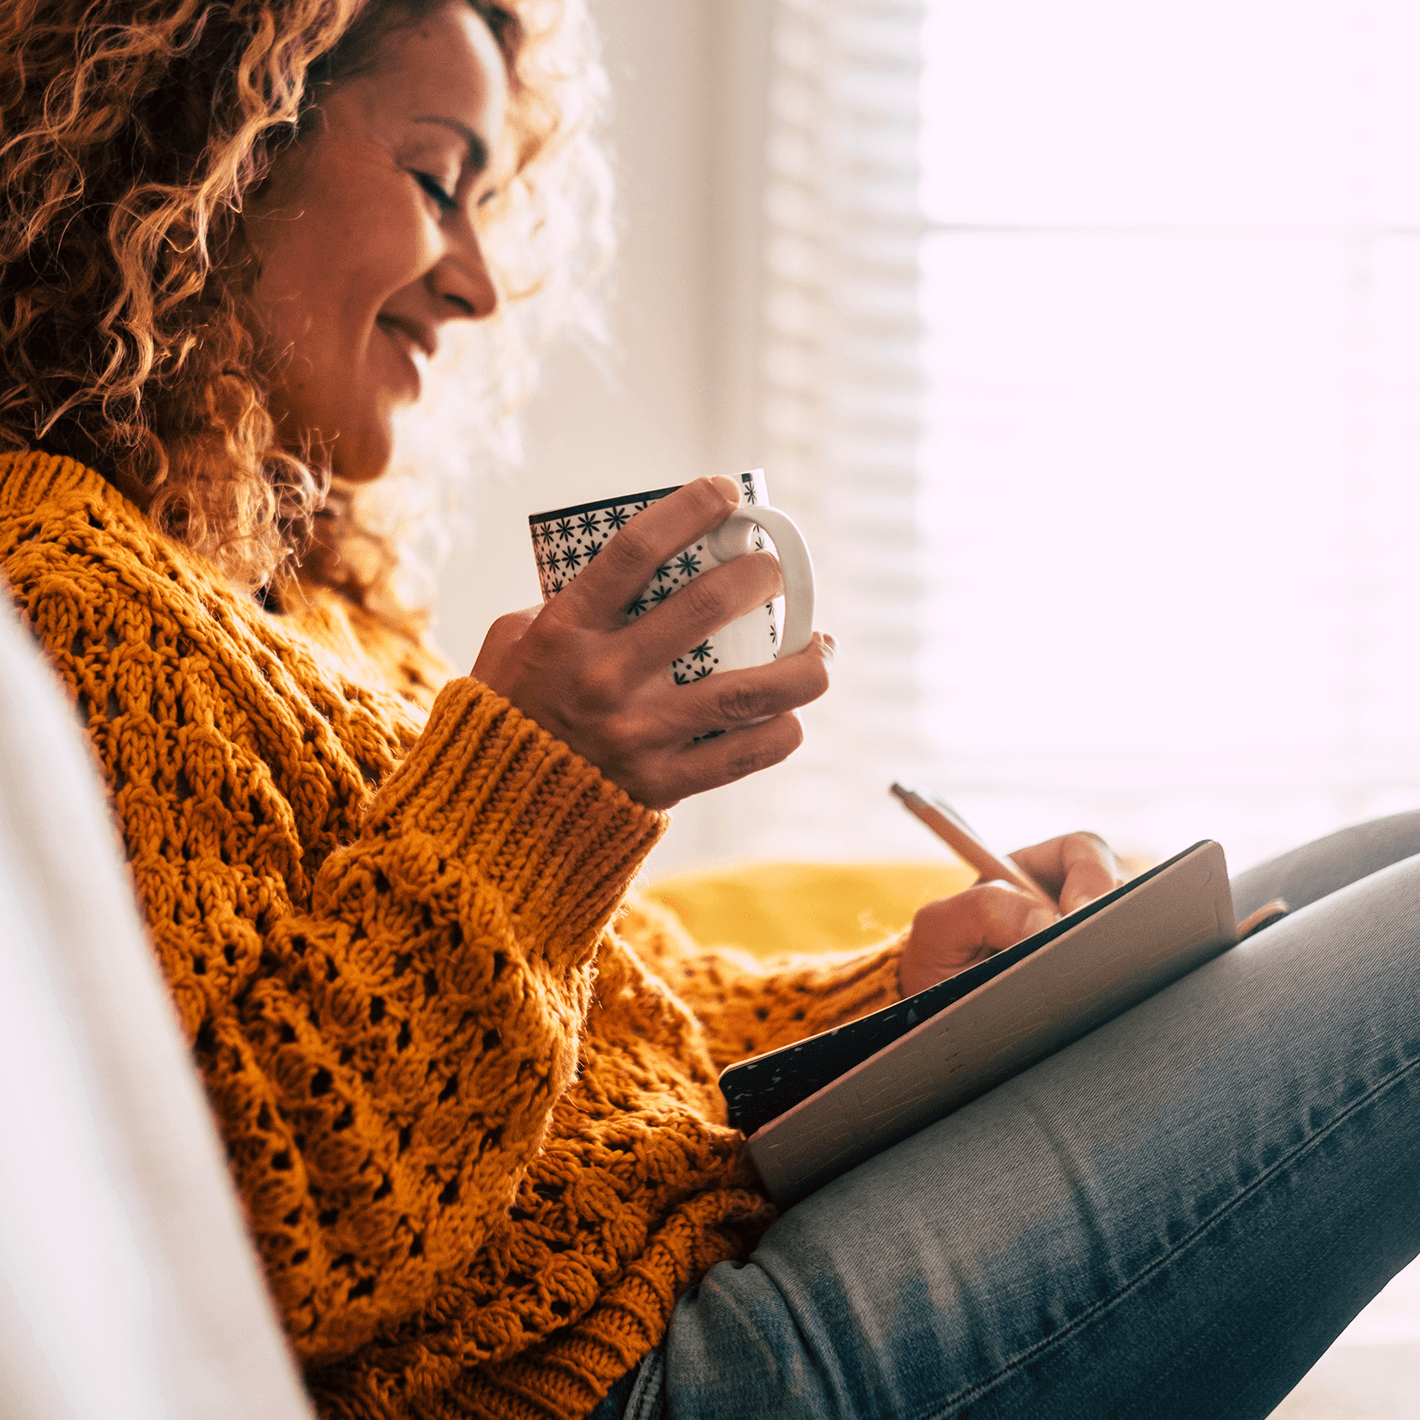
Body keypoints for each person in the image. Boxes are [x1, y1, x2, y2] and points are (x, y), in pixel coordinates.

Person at [0, 1, 1413, 1418]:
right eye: (440, 181)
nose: (481, 282)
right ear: (209, 159)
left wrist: (909, 1003)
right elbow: (233, 1262)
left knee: (1341, 878)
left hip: (683, 1264)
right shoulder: (54, 592)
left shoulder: (301, 600)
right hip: (621, 1380)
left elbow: (621, 1032)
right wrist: (531, 795)